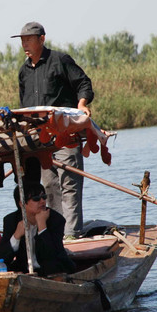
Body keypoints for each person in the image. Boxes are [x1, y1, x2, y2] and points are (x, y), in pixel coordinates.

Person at [12, 21, 94, 237]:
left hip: (66, 135)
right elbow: (24, 107)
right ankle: (57, 235)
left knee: (70, 184)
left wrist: (82, 104)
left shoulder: (60, 60)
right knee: (49, 187)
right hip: (41, 141)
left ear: (42, 39)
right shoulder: (23, 71)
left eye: (28, 39)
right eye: (22, 41)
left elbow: (83, 83)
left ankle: (72, 235)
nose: (24, 45)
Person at [0, 182, 76, 276]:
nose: (42, 201)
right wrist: (16, 236)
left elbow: (52, 255)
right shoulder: (11, 220)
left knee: (53, 268)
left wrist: (42, 226)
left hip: (51, 268)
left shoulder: (56, 219)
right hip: (25, 269)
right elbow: (3, 257)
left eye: (44, 197)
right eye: (36, 199)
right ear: (21, 203)